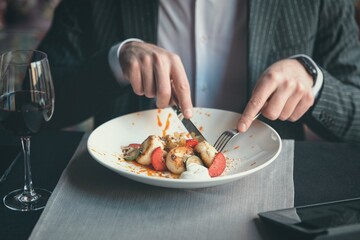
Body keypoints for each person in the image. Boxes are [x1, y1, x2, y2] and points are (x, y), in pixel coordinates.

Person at [37, 0, 360, 143]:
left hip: (270, 200)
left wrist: (314, 82)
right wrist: (114, 61)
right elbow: (38, 104)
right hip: (124, 194)